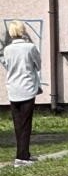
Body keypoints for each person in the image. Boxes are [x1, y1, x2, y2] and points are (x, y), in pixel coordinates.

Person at [2, 21, 41, 167]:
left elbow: (7, 65)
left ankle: (23, 154)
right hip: (27, 88)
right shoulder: (29, 47)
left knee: (18, 124)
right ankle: (22, 157)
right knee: (26, 124)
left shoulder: (7, 50)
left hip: (13, 89)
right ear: (23, 31)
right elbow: (38, 65)